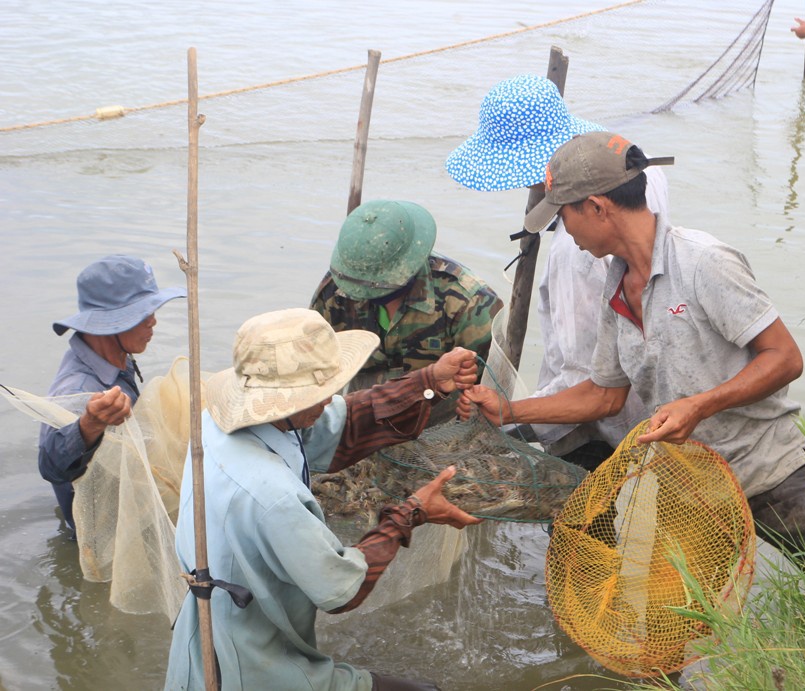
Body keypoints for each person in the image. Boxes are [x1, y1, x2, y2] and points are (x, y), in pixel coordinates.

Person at [460, 131, 805, 573]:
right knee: (677, 614)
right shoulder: (615, 286)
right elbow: (604, 395)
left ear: (597, 208)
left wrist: (700, 405)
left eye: (563, 216)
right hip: (692, 490)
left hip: (768, 468)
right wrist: (509, 411)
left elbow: (784, 357)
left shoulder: (704, 262)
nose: (564, 231)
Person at [164, 308, 482, 691]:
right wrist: (410, 514)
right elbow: (342, 588)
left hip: (203, 640)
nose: (331, 396)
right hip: (250, 670)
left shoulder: (217, 423)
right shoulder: (271, 495)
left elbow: (345, 424)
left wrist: (428, 382)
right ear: (285, 401)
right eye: (319, 392)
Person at [445, 74, 668, 470]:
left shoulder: (575, 251)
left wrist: (510, 419)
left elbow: (585, 379)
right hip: (655, 397)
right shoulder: (634, 166)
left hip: (603, 431)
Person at [39, 254, 186, 539]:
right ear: (108, 324)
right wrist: (89, 425)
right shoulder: (78, 389)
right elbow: (50, 466)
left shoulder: (116, 357)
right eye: (142, 314)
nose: (153, 321)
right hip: (104, 537)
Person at [310, 199, 502, 398]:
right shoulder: (336, 291)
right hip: (361, 406)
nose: (366, 291)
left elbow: (490, 394)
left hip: (438, 408)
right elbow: (313, 373)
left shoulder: (470, 305)